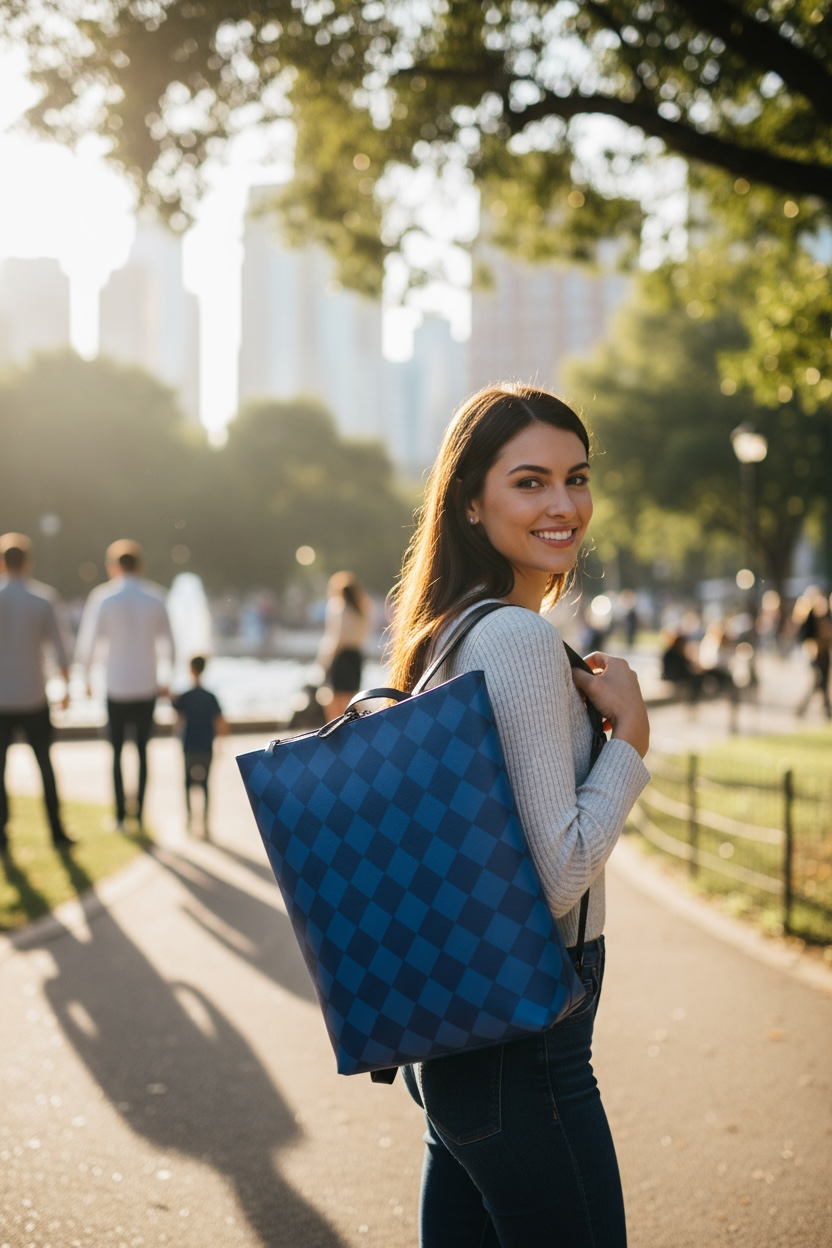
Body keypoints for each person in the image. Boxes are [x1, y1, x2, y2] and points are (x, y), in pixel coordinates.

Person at [387, 383, 650, 1247]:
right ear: (471, 501)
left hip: (461, 1040)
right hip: (525, 1048)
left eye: (576, 478)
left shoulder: (450, 633)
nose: (564, 505)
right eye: (530, 482)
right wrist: (631, 741)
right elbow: (560, 871)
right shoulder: (517, 640)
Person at [75, 540, 175, 830]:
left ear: (114, 566)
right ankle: (140, 814)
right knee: (143, 751)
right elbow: (170, 643)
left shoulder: (103, 598)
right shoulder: (156, 597)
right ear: (140, 565)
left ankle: (119, 816)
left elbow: (88, 643)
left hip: (116, 684)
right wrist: (166, 679)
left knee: (116, 752)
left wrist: (86, 678)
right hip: (146, 685)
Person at [0, 533, 74, 856]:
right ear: (27, 562)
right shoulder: (43, 598)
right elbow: (61, 649)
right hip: (33, 695)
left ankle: (2, 836)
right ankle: (57, 832)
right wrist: (67, 687)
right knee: (45, 766)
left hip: (1, 698)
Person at [171, 656, 228, 836]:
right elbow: (220, 723)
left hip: (189, 744)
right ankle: (205, 823)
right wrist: (220, 744)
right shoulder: (211, 696)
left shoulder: (184, 696)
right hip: (206, 745)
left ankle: (189, 820)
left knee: (187, 783)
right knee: (206, 785)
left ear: (190, 670)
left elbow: (178, 721)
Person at [317, 571, 372, 721]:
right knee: (352, 699)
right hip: (356, 656)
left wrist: (326, 662)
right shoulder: (363, 610)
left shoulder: (338, 608)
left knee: (334, 699)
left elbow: (336, 638)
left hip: (341, 657)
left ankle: (334, 731)